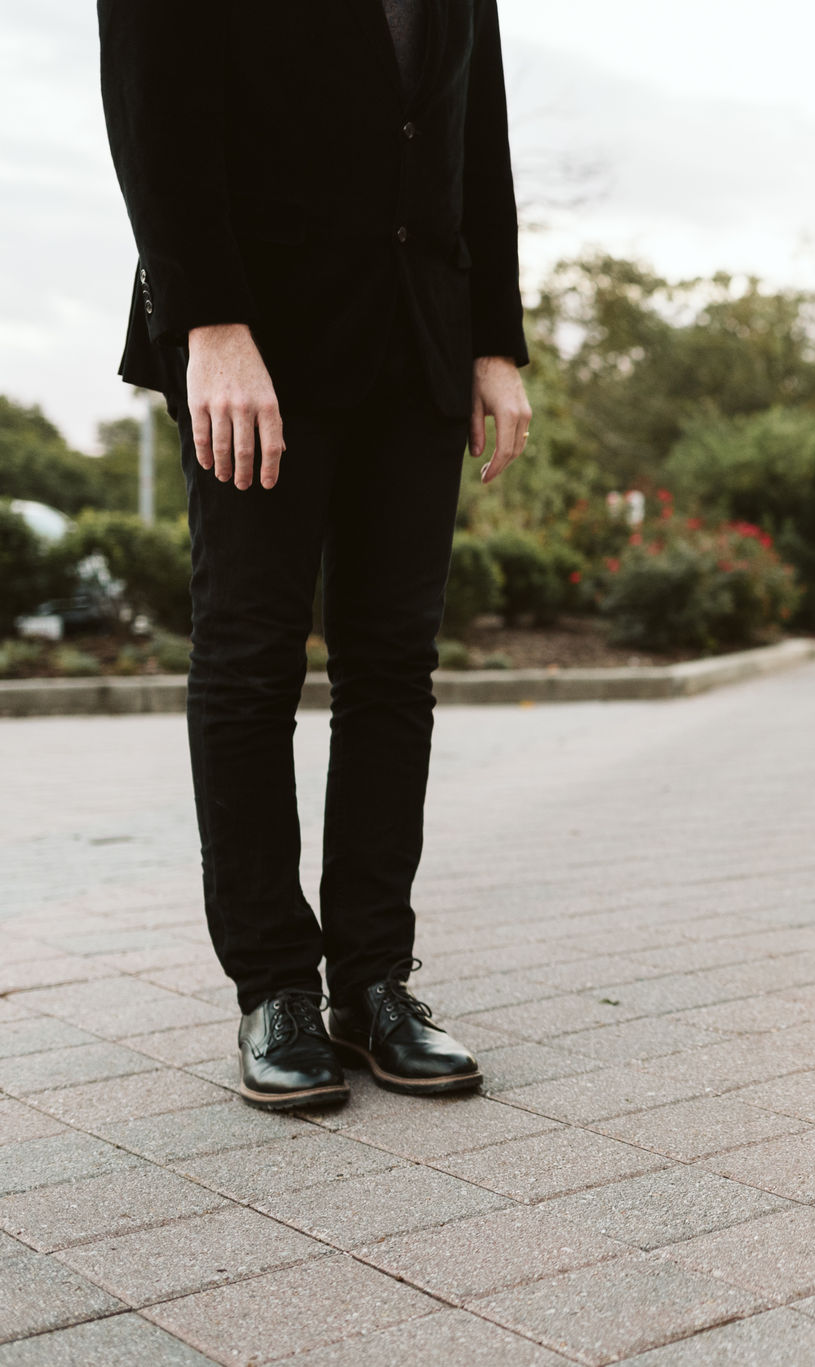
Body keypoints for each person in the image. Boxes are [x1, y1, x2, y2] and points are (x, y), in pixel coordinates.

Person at [98, 1, 532, 1110]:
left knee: (394, 668)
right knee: (250, 661)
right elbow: (154, 106)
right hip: (259, 344)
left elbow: (474, 130)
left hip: (416, 333)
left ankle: (373, 980)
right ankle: (274, 989)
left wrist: (493, 338)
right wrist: (208, 322)